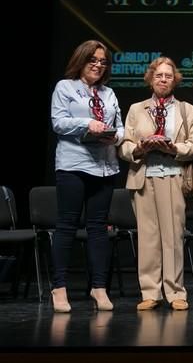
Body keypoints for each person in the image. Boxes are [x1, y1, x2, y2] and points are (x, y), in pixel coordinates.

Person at [119, 57, 193, 311]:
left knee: (173, 237)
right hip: (144, 177)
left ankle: (175, 292)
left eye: (168, 75)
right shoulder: (136, 109)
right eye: (158, 75)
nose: (163, 79)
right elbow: (125, 146)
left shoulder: (188, 110)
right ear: (150, 79)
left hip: (173, 175)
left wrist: (173, 147)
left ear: (175, 79)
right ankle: (150, 292)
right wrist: (140, 148)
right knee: (148, 237)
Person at [50, 39, 124, 312]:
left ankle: (99, 288)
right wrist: (87, 123)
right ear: (81, 60)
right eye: (93, 60)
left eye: (103, 62)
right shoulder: (65, 87)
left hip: (104, 166)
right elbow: (58, 122)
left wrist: (114, 137)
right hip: (73, 165)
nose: (98, 65)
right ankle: (59, 288)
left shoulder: (109, 93)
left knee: (98, 228)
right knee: (67, 225)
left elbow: (120, 127)